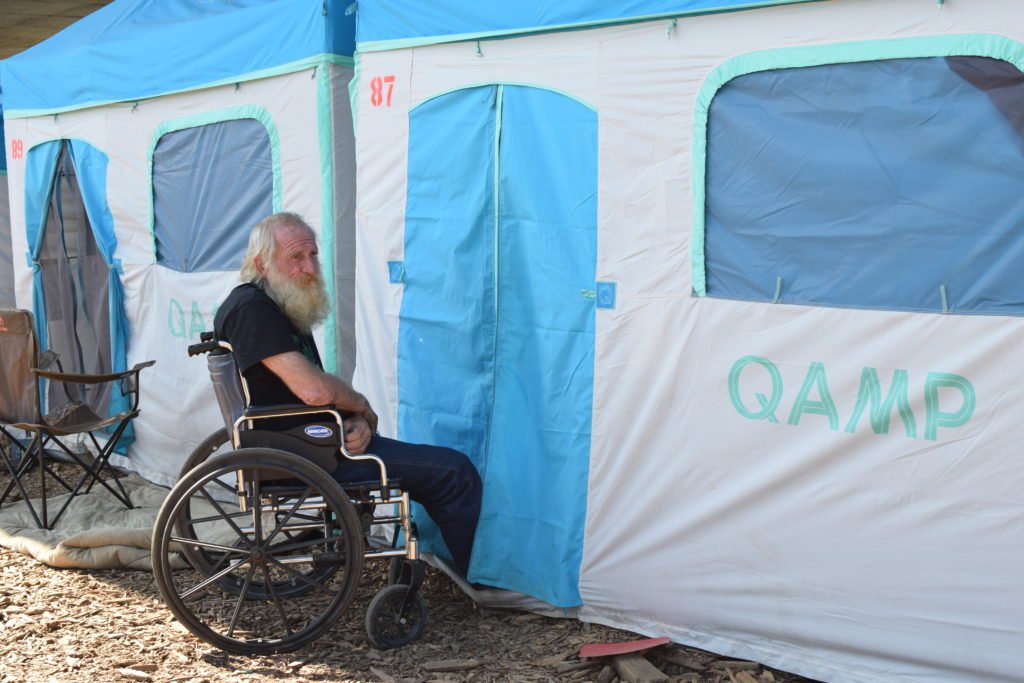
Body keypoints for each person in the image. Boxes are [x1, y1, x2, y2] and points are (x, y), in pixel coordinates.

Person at [214, 212, 481, 575]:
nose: (309, 267)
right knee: (455, 473)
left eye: (312, 255)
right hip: (305, 454)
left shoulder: (273, 304)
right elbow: (312, 389)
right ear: (262, 264)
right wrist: (361, 406)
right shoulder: (252, 310)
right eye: (295, 257)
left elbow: (305, 394)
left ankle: (447, 558)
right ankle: (479, 578)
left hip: (313, 440)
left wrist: (351, 421)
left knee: (436, 468)